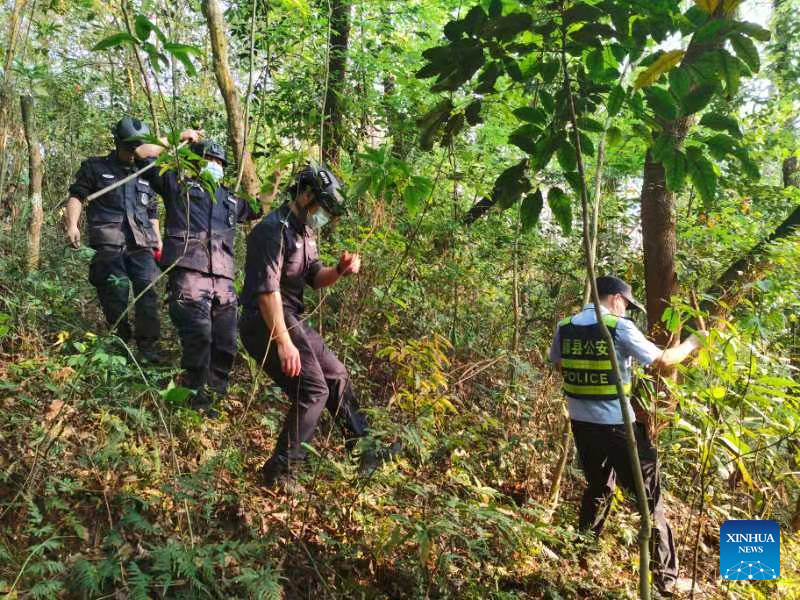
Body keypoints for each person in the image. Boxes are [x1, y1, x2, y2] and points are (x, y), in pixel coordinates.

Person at [549, 276, 706, 597]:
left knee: (598, 487)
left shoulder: (565, 326)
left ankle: (581, 557)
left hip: (582, 424)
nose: (626, 310)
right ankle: (665, 579)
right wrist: (693, 343)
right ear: (616, 299)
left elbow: (559, 365)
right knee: (650, 500)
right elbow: (663, 361)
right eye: (626, 304)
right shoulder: (618, 327)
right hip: (618, 427)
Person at [239, 163, 394, 486]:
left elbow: (314, 277)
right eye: (323, 208)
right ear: (306, 195)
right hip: (265, 320)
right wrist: (283, 342)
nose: (323, 216)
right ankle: (281, 471)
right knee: (312, 390)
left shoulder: (305, 233)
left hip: (291, 317)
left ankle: (364, 449)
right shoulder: (272, 230)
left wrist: (339, 270)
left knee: (335, 374)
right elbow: (266, 293)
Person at [135, 133, 260, 415]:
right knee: (199, 335)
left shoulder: (230, 198)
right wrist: (176, 139)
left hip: (224, 281)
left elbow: (257, 208)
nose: (215, 165)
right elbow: (141, 152)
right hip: (189, 275)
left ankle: (214, 398)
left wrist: (273, 185)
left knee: (226, 341)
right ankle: (194, 396)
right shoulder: (177, 185)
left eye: (220, 162)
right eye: (209, 159)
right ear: (195, 162)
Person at [65, 117, 163, 363]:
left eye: (139, 148)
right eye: (130, 147)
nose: (134, 153)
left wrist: (158, 240)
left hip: (142, 242)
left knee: (148, 291)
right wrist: (72, 225)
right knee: (115, 292)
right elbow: (77, 196)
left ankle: (148, 349)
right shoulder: (95, 167)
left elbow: (151, 212)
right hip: (109, 241)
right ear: (118, 143)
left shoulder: (146, 172)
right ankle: (120, 340)